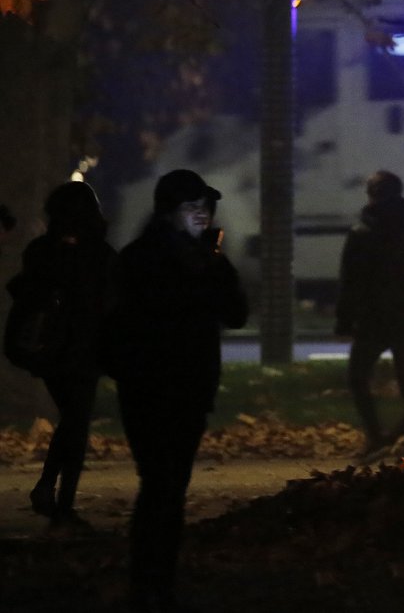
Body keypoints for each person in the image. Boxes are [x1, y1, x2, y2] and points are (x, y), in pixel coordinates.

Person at [103, 169, 248, 610]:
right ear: (169, 212)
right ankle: (151, 581)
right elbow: (118, 324)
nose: (202, 216)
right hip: (156, 386)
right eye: (192, 208)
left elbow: (237, 313)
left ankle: (153, 579)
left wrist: (216, 264)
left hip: (182, 387)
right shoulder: (143, 260)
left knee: (166, 485)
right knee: (162, 484)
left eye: (206, 208)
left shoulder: (198, 258)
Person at [10, 182, 116, 530]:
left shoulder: (42, 250)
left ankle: (50, 491)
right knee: (76, 423)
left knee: (73, 421)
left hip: (52, 352)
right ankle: (61, 503)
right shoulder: (95, 253)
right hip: (79, 351)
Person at [335, 170, 404, 459]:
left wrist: (344, 319)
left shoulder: (361, 233)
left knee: (358, 378)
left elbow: (350, 281)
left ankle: (376, 436)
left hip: (373, 321)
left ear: (371, 195)